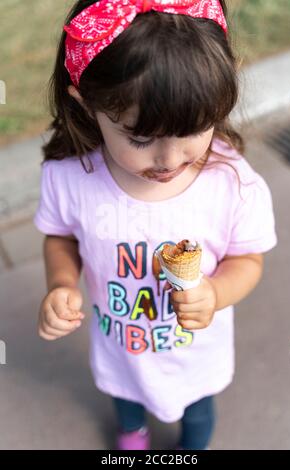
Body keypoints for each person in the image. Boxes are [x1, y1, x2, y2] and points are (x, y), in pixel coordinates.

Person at [34, 0, 277, 450]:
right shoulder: (71, 177)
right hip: (120, 351)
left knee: (199, 417)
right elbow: (61, 236)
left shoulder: (233, 183)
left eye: (193, 130)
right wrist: (62, 282)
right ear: (88, 105)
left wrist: (217, 293)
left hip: (196, 357)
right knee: (126, 405)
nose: (169, 160)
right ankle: (133, 436)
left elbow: (248, 258)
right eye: (141, 138)